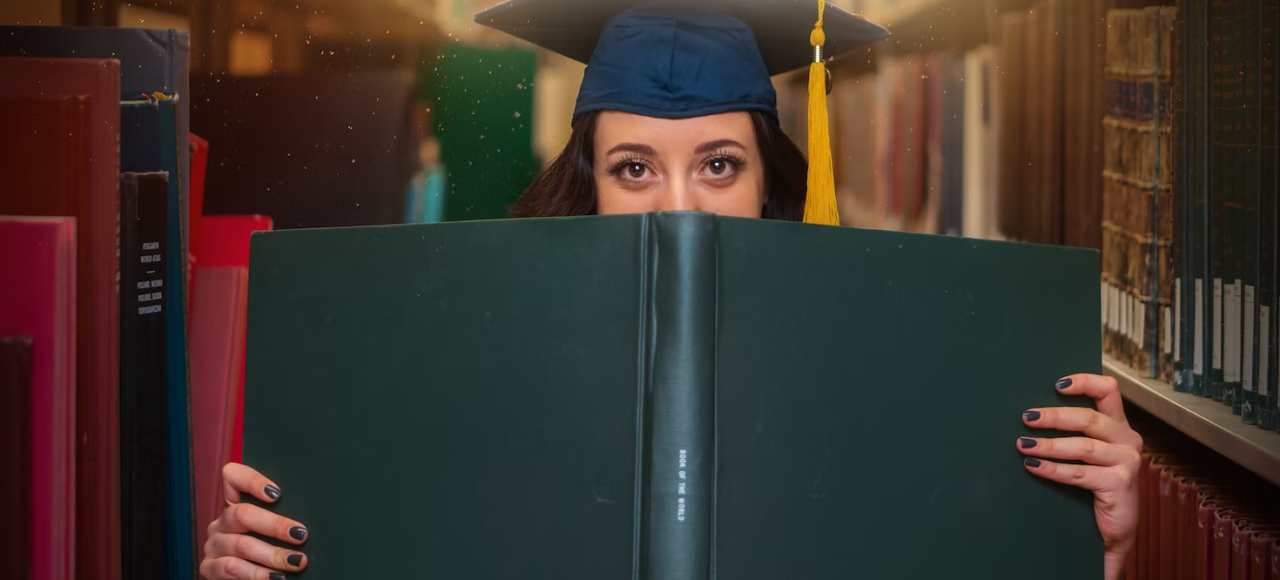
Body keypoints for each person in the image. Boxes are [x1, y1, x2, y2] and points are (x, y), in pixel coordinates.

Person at [199, 1, 1143, 579]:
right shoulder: (463, 363)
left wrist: (1084, 550)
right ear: (590, 183)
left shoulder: (887, 375)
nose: (680, 206)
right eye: (637, 168)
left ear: (771, 182)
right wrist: (267, 567)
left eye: (720, 164)